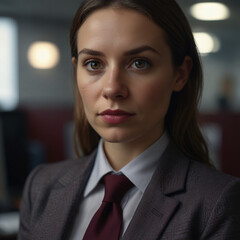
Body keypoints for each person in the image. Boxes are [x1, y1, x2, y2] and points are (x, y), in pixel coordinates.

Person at [18, 0, 240, 239]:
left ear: (180, 74)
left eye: (139, 63)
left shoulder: (218, 202)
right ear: (76, 71)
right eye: (94, 64)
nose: (112, 89)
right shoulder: (41, 186)